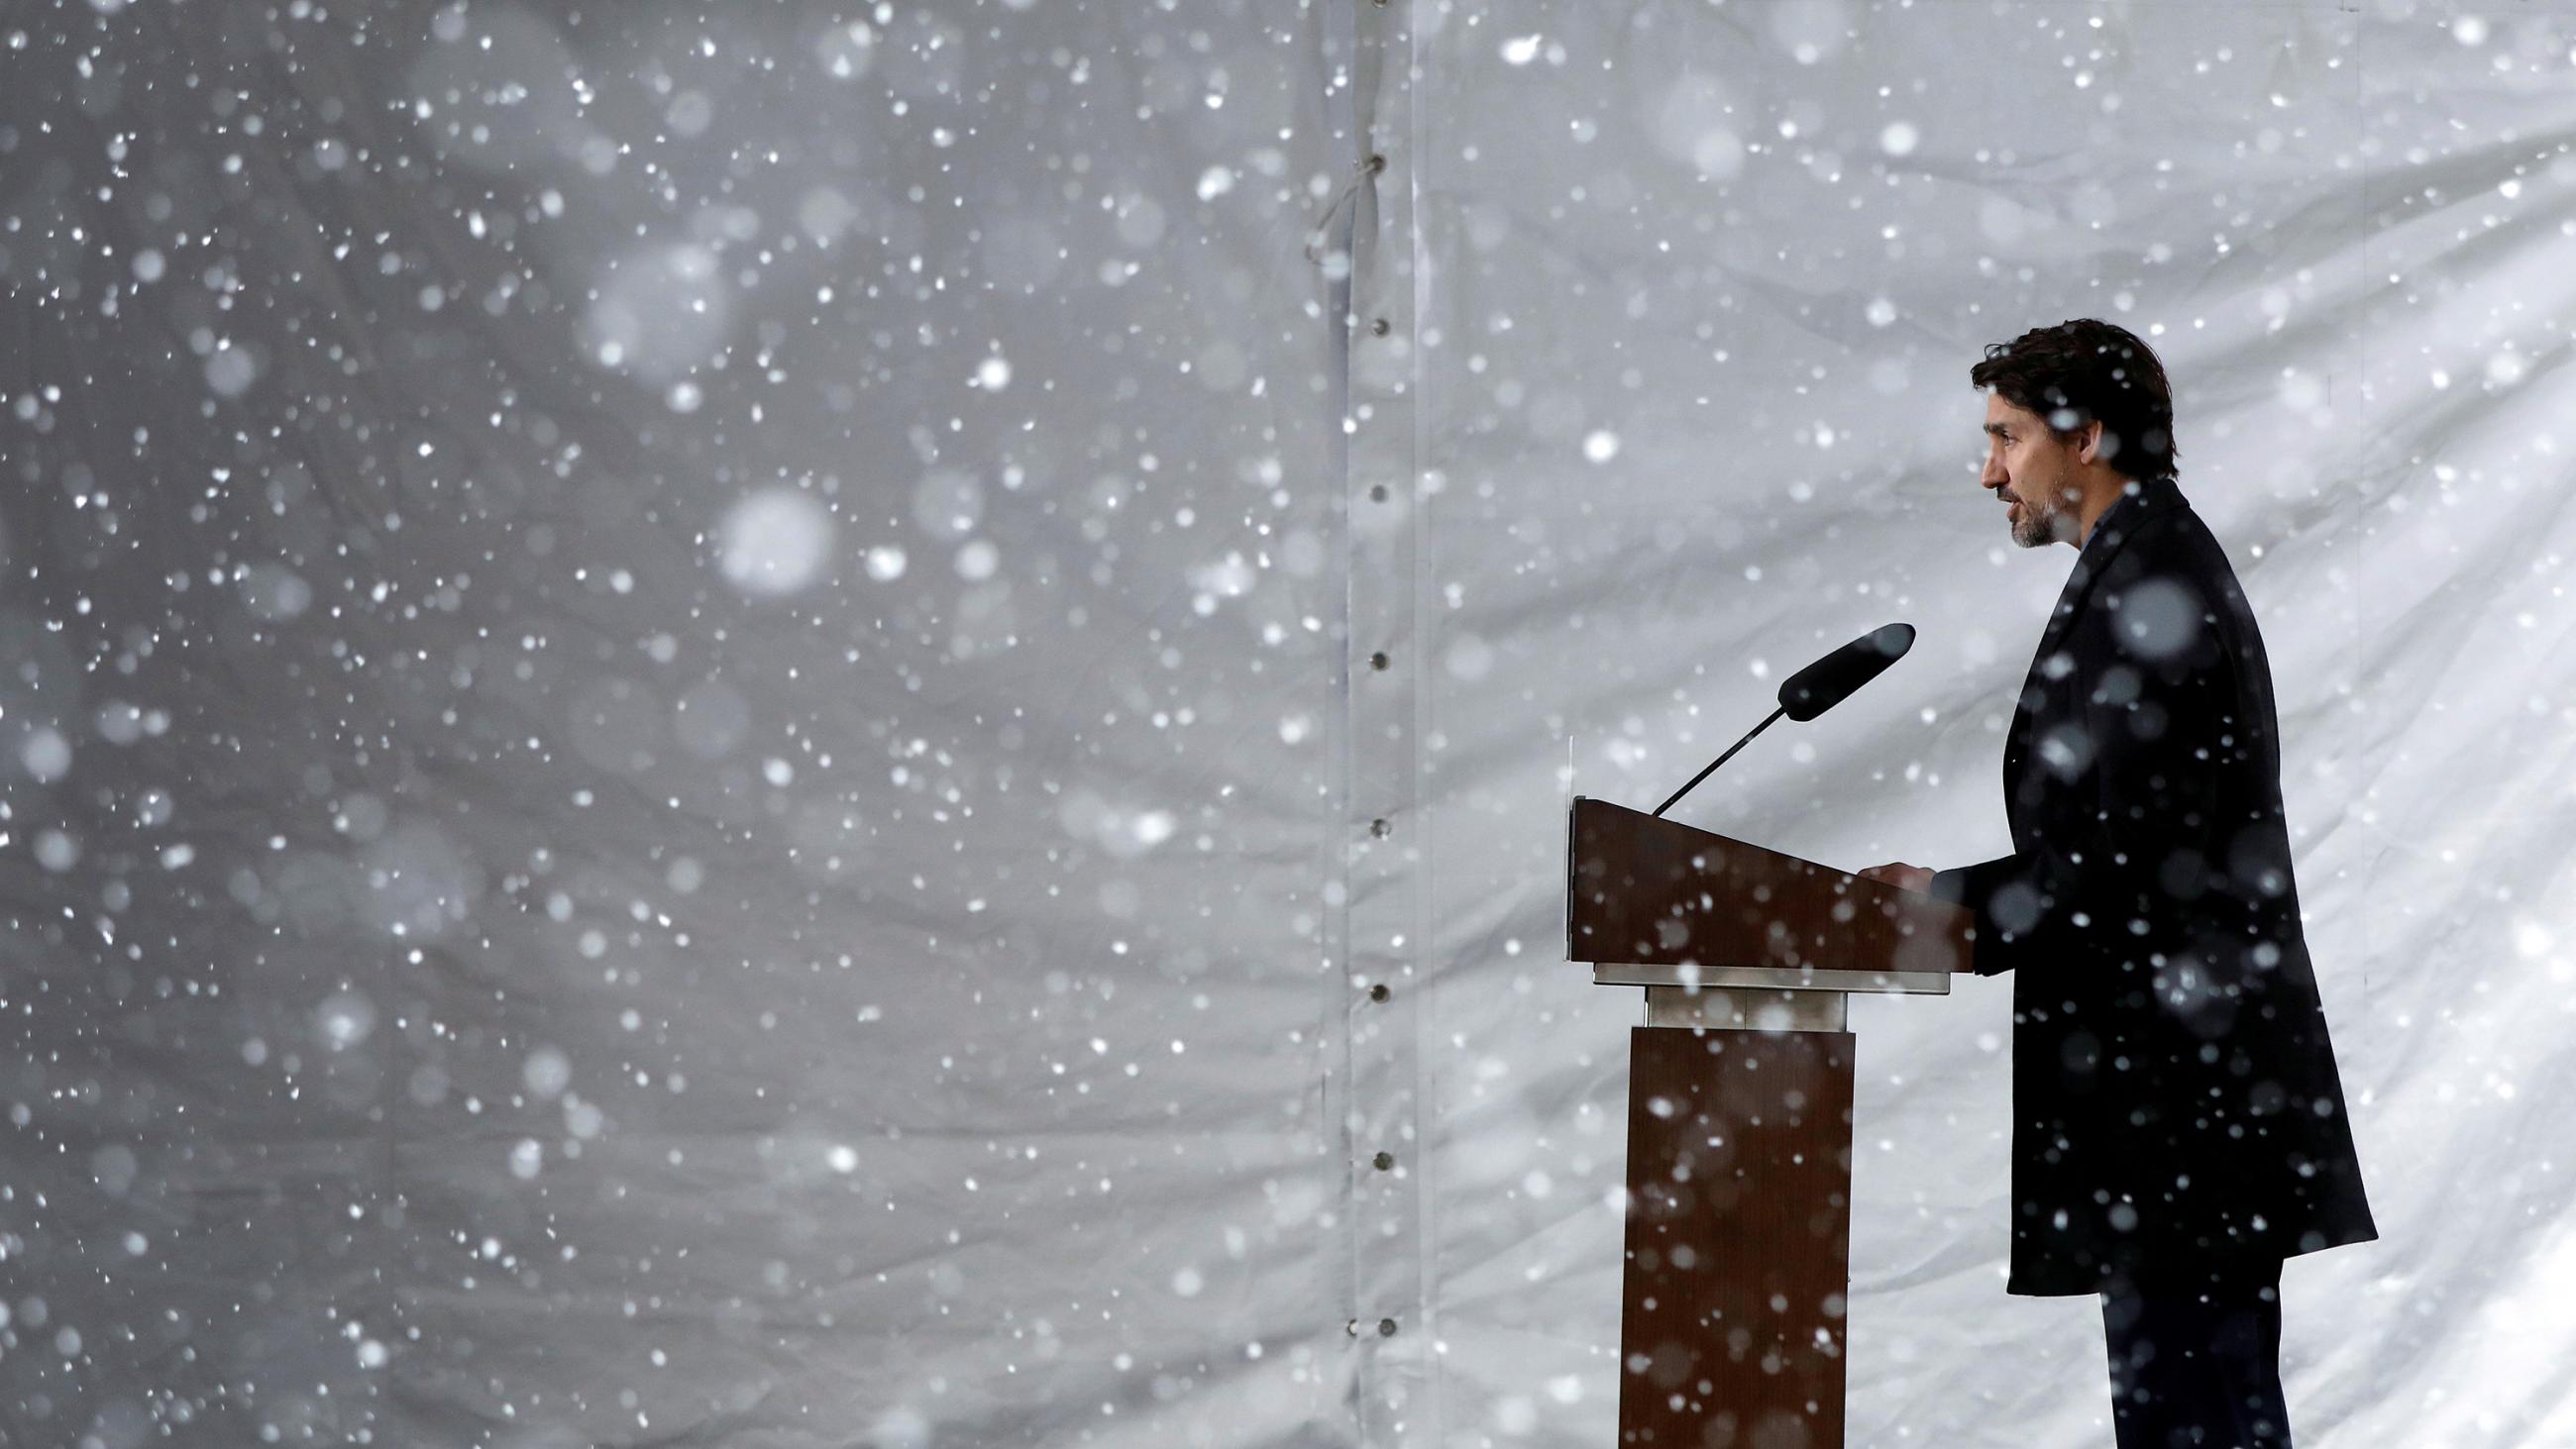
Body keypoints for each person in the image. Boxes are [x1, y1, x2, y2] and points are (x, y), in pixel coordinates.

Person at [1859, 319, 2378, 1448]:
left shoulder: (2154, 583)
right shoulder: (2136, 566)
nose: (1988, 470)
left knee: (2200, 1425)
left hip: (2184, 1105)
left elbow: (2124, 868)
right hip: (2176, 1102)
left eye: (2004, 438)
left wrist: (1939, 906)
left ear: (2084, 435)